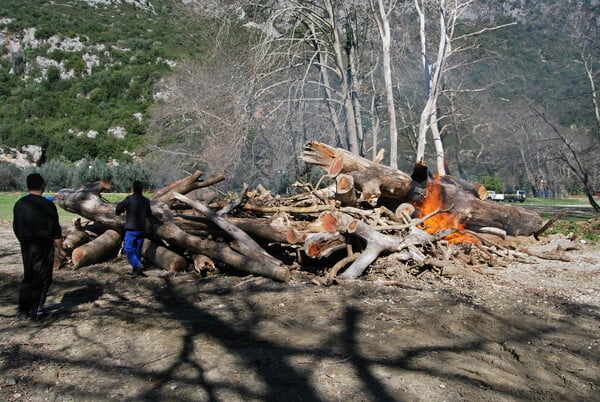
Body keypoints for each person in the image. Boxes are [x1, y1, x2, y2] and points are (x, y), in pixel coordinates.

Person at [13, 173, 66, 321]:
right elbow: (55, 230)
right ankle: (36, 311)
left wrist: (22, 240)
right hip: (42, 245)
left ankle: (23, 310)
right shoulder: (47, 205)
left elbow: (16, 226)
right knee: (42, 279)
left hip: (26, 245)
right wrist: (60, 249)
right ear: (43, 185)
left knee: (28, 277)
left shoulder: (20, 204)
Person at [116, 180, 152, 277]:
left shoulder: (129, 199)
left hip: (131, 229)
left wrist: (122, 210)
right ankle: (136, 272)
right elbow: (149, 214)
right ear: (142, 189)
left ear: (133, 189)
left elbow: (118, 209)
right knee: (137, 250)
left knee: (128, 249)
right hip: (142, 229)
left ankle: (137, 265)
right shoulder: (146, 200)